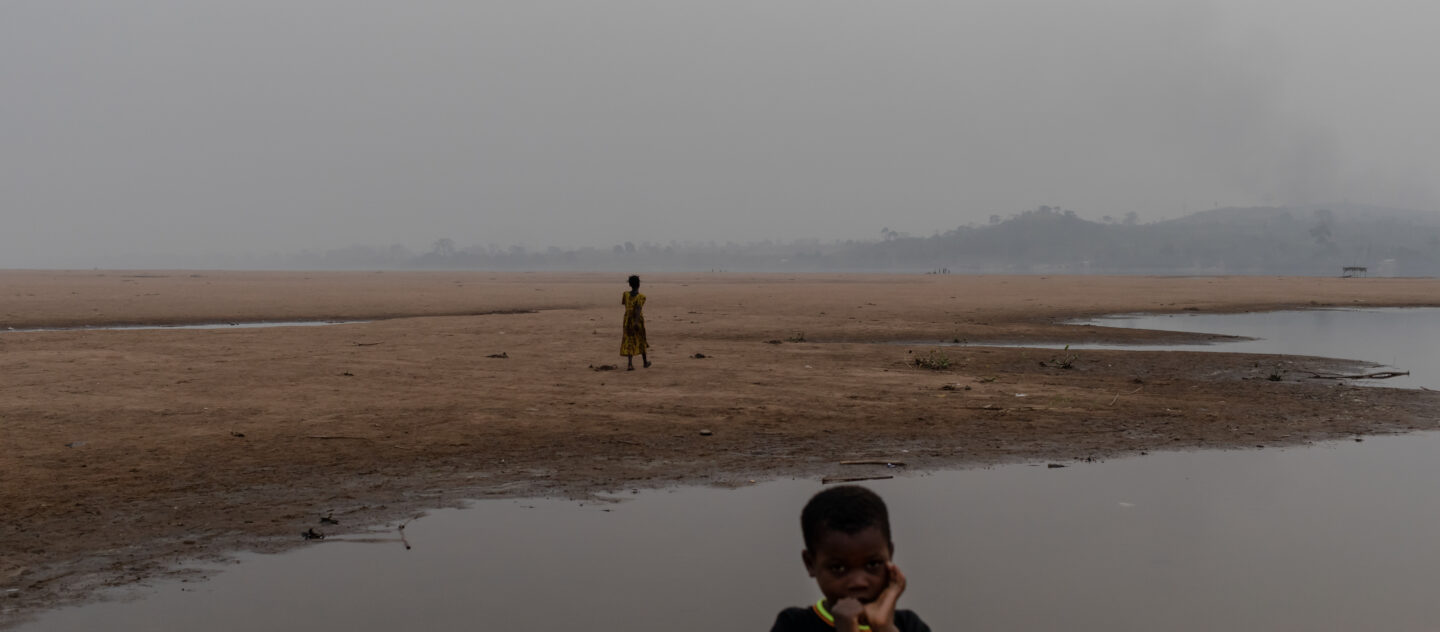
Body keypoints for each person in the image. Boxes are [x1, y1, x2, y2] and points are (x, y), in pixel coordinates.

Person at [770, 486, 930, 632]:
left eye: (872, 564)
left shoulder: (908, 625)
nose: (858, 582)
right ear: (810, 563)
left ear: (890, 554)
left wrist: (884, 627)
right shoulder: (794, 625)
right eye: (838, 568)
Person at [621, 274, 649, 370]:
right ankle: (645, 362)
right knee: (641, 339)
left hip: (627, 321)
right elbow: (638, 309)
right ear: (639, 284)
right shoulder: (641, 297)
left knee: (629, 341)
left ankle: (630, 364)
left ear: (629, 284)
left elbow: (626, 305)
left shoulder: (625, 294)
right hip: (637, 320)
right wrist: (636, 322)